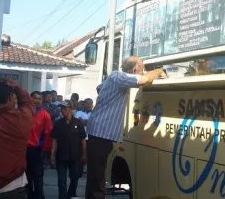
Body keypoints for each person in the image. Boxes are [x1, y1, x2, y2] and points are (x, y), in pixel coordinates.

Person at [85, 56, 166, 199]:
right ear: (135, 69)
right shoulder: (119, 77)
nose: (143, 72)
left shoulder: (114, 78)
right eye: (142, 69)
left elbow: (99, 88)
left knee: (95, 177)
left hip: (98, 134)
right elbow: (145, 80)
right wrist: (159, 71)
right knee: (97, 180)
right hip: (101, 134)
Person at [51, 100, 87, 199]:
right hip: (61, 156)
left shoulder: (78, 122)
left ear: (71, 109)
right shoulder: (58, 123)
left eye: (65, 108)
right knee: (61, 180)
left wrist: (84, 154)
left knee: (74, 178)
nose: (62, 111)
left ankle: (71, 195)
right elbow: (54, 140)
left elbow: (83, 140)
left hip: (75, 156)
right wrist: (52, 155)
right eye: (61, 108)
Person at [25, 91, 53, 199]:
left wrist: (45, 150)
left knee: (38, 176)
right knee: (26, 176)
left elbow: (48, 134)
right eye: (34, 98)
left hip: (37, 149)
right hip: (23, 149)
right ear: (30, 99)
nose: (37, 100)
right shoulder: (24, 112)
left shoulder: (45, 115)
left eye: (39, 99)